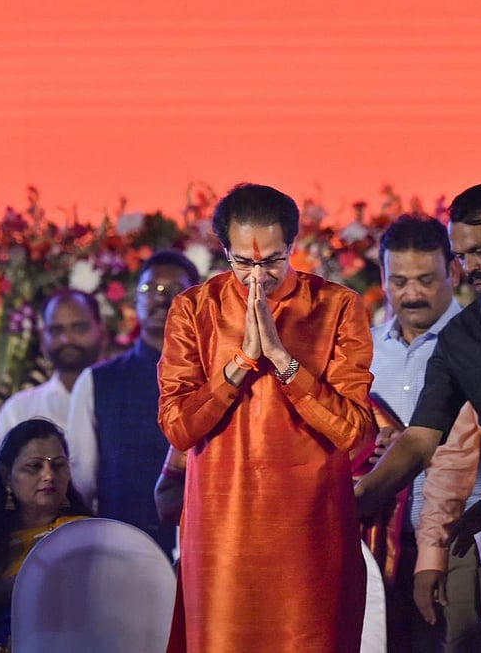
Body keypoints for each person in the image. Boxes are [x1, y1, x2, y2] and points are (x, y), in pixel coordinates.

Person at [158, 183, 373, 652]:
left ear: (293, 247)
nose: (258, 276)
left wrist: (283, 360)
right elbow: (178, 426)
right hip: (222, 537)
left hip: (310, 534)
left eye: (272, 260)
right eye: (243, 262)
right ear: (224, 250)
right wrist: (239, 365)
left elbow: (354, 431)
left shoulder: (337, 307)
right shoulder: (194, 310)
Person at [355, 181, 481, 651]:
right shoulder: (460, 340)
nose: (471, 267)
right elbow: (422, 442)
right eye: (463, 255)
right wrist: (352, 504)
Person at [67, 250, 200, 559]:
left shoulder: (221, 379)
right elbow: (81, 484)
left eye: (173, 290)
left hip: (202, 553)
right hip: (122, 557)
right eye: (149, 290)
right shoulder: (98, 382)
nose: (160, 299)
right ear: (134, 302)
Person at [0, 418, 91, 653]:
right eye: (34, 466)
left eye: (58, 465)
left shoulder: (87, 537)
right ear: (6, 476)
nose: (48, 475)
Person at [0, 289, 105, 484]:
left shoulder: (124, 399)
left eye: (79, 328)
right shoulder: (19, 410)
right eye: (56, 330)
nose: (67, 339)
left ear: (102, 331)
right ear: (42, 337)